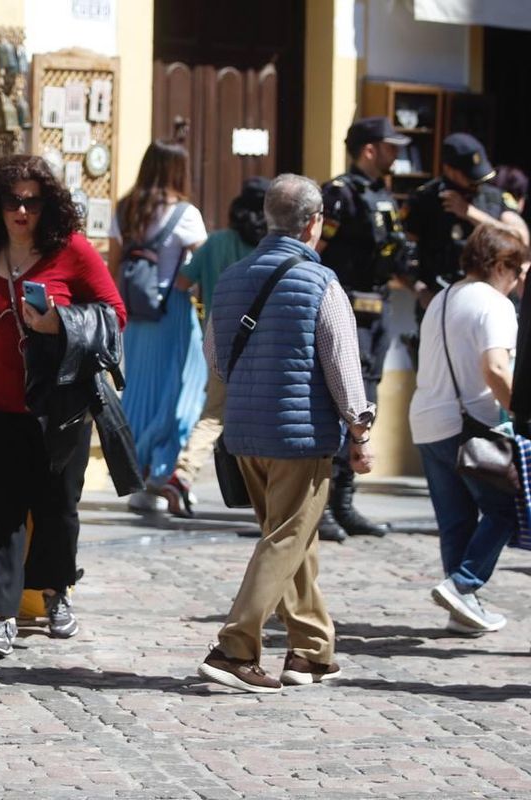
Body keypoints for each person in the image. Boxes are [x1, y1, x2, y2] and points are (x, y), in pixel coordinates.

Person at [197, 174, 375, 693]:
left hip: (245, 434)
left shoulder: (230, 278)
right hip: (300, 437)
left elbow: (214, 357)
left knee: (294, 538)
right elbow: (343, 367)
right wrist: (359, 430)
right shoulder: (321, 283)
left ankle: (310, 651)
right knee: (285, 538)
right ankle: (234, 648)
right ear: (314, 223)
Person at [0, 154, 126, 659]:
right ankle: (2, 615)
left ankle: (56, 594)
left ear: (47, 205)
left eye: (32, 201)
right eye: (12, 200)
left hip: (59, 402)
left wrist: (60, 323)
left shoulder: (71, 251)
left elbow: (115, 313)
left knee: (57, 505)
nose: (21, 211)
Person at [409, 225, 528, 635]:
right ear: (498, 266)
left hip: (427, 420)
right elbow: (495, 367)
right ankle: (463, 585)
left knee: (455, 519)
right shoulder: (494, 304)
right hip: (469, 425)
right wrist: (523, 414)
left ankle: (462, 609)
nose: (518, 282)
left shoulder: (444, 297)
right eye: (518, 271)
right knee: (505, 510)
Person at [314, 117, 414, 542]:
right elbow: (316, 249)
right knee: (341, 398)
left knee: (365, 401)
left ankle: (345, 503)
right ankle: (322, 505)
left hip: (379, 310)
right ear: (370, 149)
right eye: (391, 147)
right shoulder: (339, 194)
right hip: (347, 307)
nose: (398, 154)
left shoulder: (382, 194)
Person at [110, 141, 207, 510]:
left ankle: (138, 475)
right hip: (174, 316)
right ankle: (162, 473)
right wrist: (184, 283)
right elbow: (202, 264)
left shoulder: (125, 209)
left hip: (135, 317)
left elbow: (113, 265)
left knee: (137, 395)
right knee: (184, 394)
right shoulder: (186, 214)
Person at [165, 176, 269, 516]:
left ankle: (182, 475)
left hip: (219, 335)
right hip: (261, 342)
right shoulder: (269, 246)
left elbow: (182, 282)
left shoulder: (216, 242)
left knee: (213, 414)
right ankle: (265, 493)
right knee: (263, 417)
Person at [404, 133, 528, 309]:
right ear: (449, 169)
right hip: (440, 299)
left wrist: (470, 213)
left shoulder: (493, 197)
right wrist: (419, 291)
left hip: (489, 299)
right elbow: (406, 253)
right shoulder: (424, 199)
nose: (475, 183)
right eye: (469, 176)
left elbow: (520, 238)